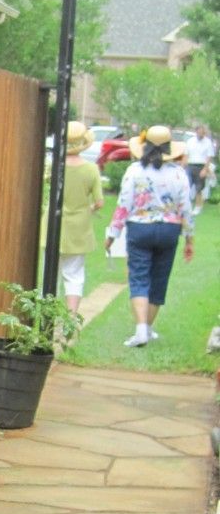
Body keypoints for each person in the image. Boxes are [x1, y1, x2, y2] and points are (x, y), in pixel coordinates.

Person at [105, 125, 194, 347]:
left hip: (139, 228)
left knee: (139, 277)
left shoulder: (135, 171)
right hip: (169, 230)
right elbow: (186, 209)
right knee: (159, 279)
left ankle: (141, 329)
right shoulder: (178, 173)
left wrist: (112, 234)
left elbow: (123, 205)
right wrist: (189, 238)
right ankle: (148, 328)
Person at [57, 121, 104, 315]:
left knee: (50, 273)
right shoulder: (91, 169)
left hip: (54, 226)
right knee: (74, 274)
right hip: (79, 227)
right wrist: (89, 208)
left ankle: (43, 317)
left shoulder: (55, 166)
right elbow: (99, 201)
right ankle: (71, 314)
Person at [184, 124, 215, 216]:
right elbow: (186, 154)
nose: (201, 133)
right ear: (196, 131)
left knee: (199, 188)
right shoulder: (190, 141)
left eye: (202, 132)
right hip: (190, 166)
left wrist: (205, 169)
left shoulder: (208, 142)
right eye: (199, 131)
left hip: (201, 167)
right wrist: (183, 165)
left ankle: (198, 207)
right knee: (186, 187)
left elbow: (209, 157)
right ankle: (186, 206)